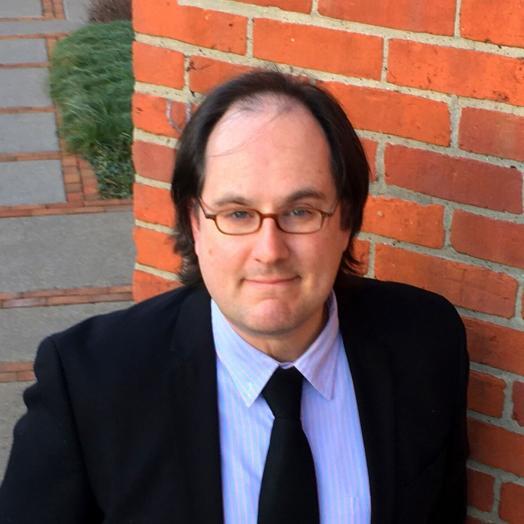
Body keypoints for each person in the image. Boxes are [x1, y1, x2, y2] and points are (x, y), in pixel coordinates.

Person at [0, 71, 469, 523]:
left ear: (346, 221)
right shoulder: (89, 382)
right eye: (238, 214)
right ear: (195, 223)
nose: (270, 251)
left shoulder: (425, 343)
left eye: (301, 211)